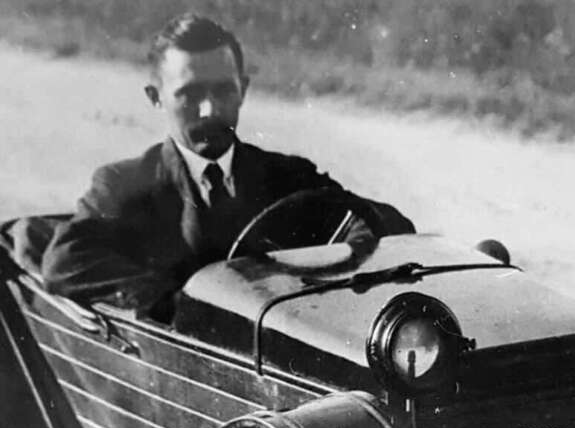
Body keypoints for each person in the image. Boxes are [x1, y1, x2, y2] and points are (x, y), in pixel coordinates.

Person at [41, 13, 413, 317]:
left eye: (223, 90)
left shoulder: (289, 176)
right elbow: (65, 262)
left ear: (244, 89)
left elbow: (380, 221)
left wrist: (353, 249)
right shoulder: (124, 184)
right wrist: (173, 299)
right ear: (155, 97)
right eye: (189, 94)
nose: (209, 110)